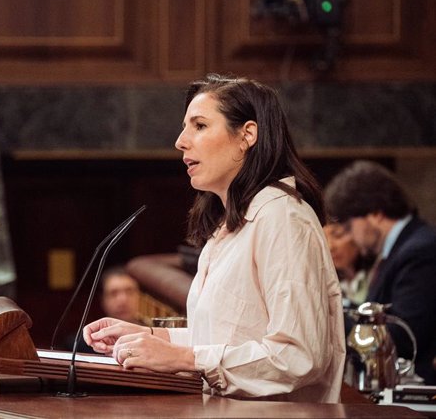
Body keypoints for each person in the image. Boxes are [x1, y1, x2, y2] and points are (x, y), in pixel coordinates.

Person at [83, 74, 345, 402]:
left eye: (200, 126)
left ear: (247, 134)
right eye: (185, 126)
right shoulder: (228, 225)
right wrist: (154, 337)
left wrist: (182, 358)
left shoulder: (283, 218)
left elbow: (298, 357)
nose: (181, 141)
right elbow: (228, 339)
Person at [325, 160, 436, 384]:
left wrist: (332, 316)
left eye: (349, 226)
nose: (352, 237)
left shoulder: (419, 250)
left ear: (375, 213)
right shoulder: (401, 249)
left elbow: (404, 336)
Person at [65, 267, 148, 353]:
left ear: (140, 296)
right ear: (103, 300)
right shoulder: (81, 343)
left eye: (129, 291)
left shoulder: (151, 335)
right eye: (113, 293)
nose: (123, 300)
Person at [323, 222, 374, 307]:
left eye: (338, 235)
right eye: (324, 240)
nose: (330, 246)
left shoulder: (378, 272)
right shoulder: (328, 288)